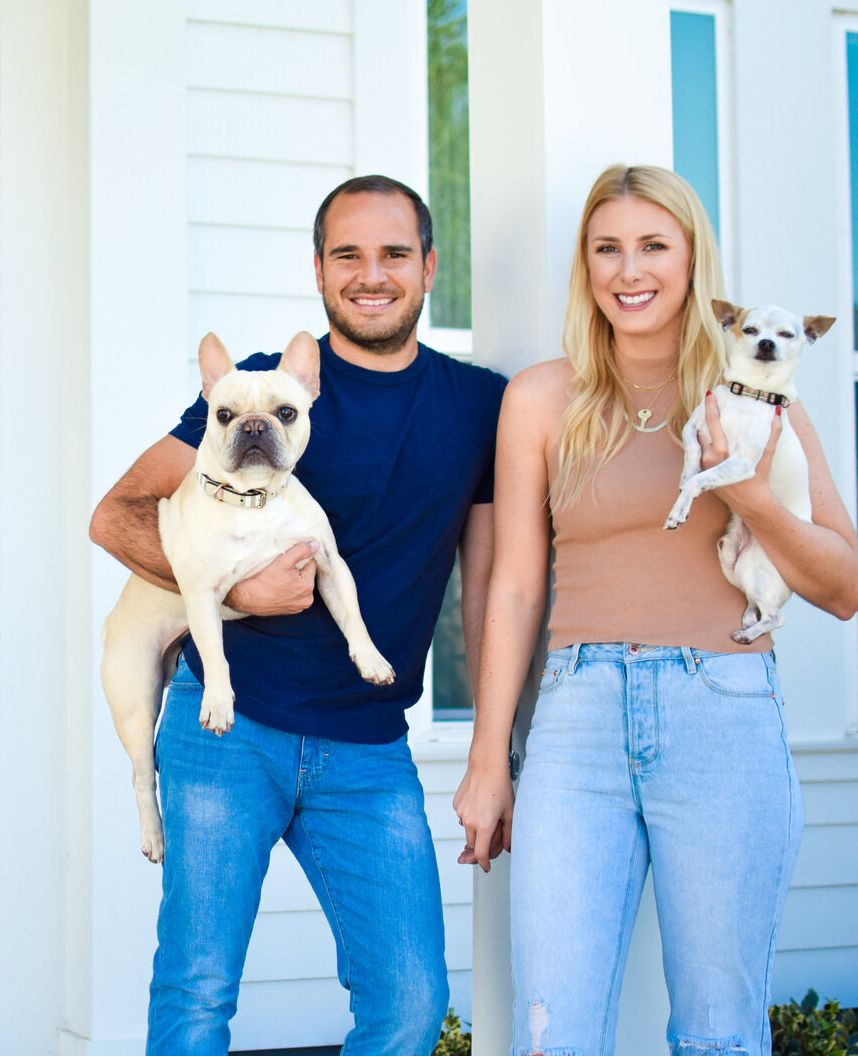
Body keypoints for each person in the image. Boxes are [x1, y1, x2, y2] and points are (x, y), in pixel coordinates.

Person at [90, 175, 506, 1055]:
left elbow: (493, 586)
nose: (372, 274)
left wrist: (490, 751)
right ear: (318, 270)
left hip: (368, 748)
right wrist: (235, 593)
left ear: (429, 267)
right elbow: (117, 514)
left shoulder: (478, 407)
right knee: (197, 995)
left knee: (409, 1001)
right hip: (230, 734)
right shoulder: (255, 394)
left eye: (395, 253)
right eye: (347, 254)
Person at [453, 164, 858, 1056]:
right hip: (576, 721)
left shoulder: (759, 395)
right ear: (586, 267)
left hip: (723, 711)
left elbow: (843, 585)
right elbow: (516, 584)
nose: (628, 270)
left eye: (652, 246)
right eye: (608, 248)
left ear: (692, 261)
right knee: (551, 1035)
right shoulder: (541, 398)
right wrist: (490, 757)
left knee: (719, 1036)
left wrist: (747, 490)